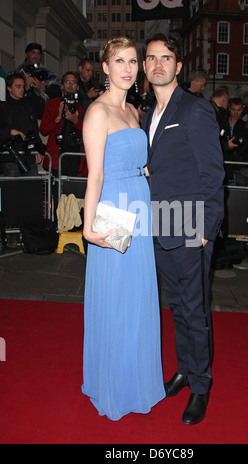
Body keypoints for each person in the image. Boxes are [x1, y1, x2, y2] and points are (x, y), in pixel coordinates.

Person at [142, 34, 225, 425]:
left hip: (191, 225)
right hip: (160, 225)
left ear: (178, 66)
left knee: (195, 310)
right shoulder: (147, 114)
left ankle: (202, 386)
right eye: (151, 58)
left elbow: (213, 174)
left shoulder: (195, 109)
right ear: (144, 67)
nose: (158, 64)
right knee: (175, 308)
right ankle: (184, 369)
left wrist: (206, 230)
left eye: (166, 58)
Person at [81, 37, 165, 421]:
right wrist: (88, 227)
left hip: (139, 207)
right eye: (120, 61)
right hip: (114, 208)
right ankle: (113, 385)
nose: (128, 68)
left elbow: (140, 162)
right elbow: (95, 175)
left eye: (133, 61)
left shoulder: (133, 109)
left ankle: (136, 381)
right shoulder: (98, 112)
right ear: (105, 67)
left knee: (138, 296)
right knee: (117, 298)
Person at [40, 72, 84, 177]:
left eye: (73, 82)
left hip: (76, 156)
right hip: (56, 155)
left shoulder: (85, 105)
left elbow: (92, 132)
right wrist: (58, 118)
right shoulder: (52, 104)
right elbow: (43, 130)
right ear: (62, 86)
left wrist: (76, 121)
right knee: (55, 190)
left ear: (78, 86)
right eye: (67, 82)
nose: (70, 85)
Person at [0, 73, 44, 177]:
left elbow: (34, 131)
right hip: (11, 157)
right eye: (18, 86)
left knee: (32, 190)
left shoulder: (27, 106)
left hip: (29, 156)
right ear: (9, 88)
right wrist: (10, 132)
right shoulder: (3, 107)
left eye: (23, 86)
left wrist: (38, 149)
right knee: (14, 191)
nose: (22, 89)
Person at [15, 42, 61, 119]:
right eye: (33, 53)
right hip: (23, 117)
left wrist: (44, 88)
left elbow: (58, 95)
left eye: (38, 53)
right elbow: (11, 96)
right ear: (27, 55)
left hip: (45, 119)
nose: (36, 56)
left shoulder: (49, 74)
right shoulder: (18, 73)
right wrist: (25, 88)